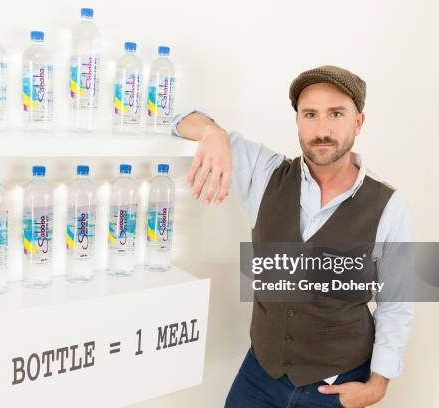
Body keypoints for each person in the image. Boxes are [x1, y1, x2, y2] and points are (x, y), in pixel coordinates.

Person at [172, 65, 413, 408]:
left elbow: (398, 302)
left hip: (337, 384)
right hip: (261, 374)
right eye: (310, 114)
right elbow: (178, 121)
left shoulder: (388, 205)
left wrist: (378, 383)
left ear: (358, 123)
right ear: (298, 121)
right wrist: (213, 133)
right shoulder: (264, 172)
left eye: (336, 114)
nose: (322, 129)